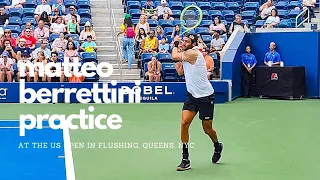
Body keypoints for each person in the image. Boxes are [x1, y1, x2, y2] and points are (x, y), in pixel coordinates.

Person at [171, 32, 223, 171]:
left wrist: (175, 43)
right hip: (192, 96)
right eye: (183, 41)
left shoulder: (193, 53)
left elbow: (174, 55)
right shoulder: (187, 54)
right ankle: (185, 158)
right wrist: (179, 63)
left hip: (206, 96)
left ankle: (217, 145)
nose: (184, 43)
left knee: (207, 129)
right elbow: (181, 72)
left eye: (187, 41)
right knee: (184, 123)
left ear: (193, 44)